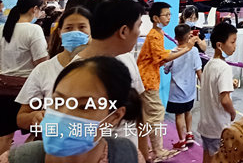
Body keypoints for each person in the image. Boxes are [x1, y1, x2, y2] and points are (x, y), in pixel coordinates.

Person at [0, 56, 144, 163]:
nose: (64, 114)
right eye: (58, 101)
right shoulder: (16, 159)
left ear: (114, 117)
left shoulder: (128, 157)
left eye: (84, 106)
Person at [76, 0, 149, 162]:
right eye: (138, 26)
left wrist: (143, 152)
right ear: (123, 31)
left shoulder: (126, 59)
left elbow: (139, 112)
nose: (139, 33)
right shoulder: (76, 75)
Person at [137, 2, 198, 162]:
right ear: (156, 18)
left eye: (170, 15)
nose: (169, 17)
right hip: (147, 80)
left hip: (150, 79)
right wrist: (186, 49)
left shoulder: (159, 33)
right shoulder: (154, 35)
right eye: (166, 15)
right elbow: (164, 56)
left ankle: (148, 148)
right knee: (156, 113)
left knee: (148, 115)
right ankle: (157, 151)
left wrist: (182, 49)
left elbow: (163, 56)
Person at [16, 6, 92, 133]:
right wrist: (34, 117)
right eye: (68, 28)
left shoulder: (101, 69)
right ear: (60, 32)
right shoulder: (43, 69)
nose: (75, 32)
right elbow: (22, 118)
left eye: (82, 27)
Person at [0, 0, 48, 154]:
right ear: (34, 9)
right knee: (37, 132)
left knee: (5, 136)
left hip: (3, 88)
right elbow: (42, 63)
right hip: (27, 90)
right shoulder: (34, 30)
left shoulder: (2, 29)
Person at [197, 23, 237, 162]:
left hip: (206, 124)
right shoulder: (224, 68)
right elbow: (225, 100)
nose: (235, 46)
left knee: (207, 156)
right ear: (220, 45)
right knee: (218, 158)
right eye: (232, 42)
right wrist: (233, 113)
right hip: (218, 126)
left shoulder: (209, 64)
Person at [164, 24, 202, 152]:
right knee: (188, 111)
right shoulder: (194, 51)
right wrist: (204, 86)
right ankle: (189, 134)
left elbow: (166, 69)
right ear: (189, 36)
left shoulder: (173, 53)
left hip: (176, 91)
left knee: (179, 115)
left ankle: (182, 141)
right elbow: (199, 70)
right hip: (190, 89)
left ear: (175, 37)